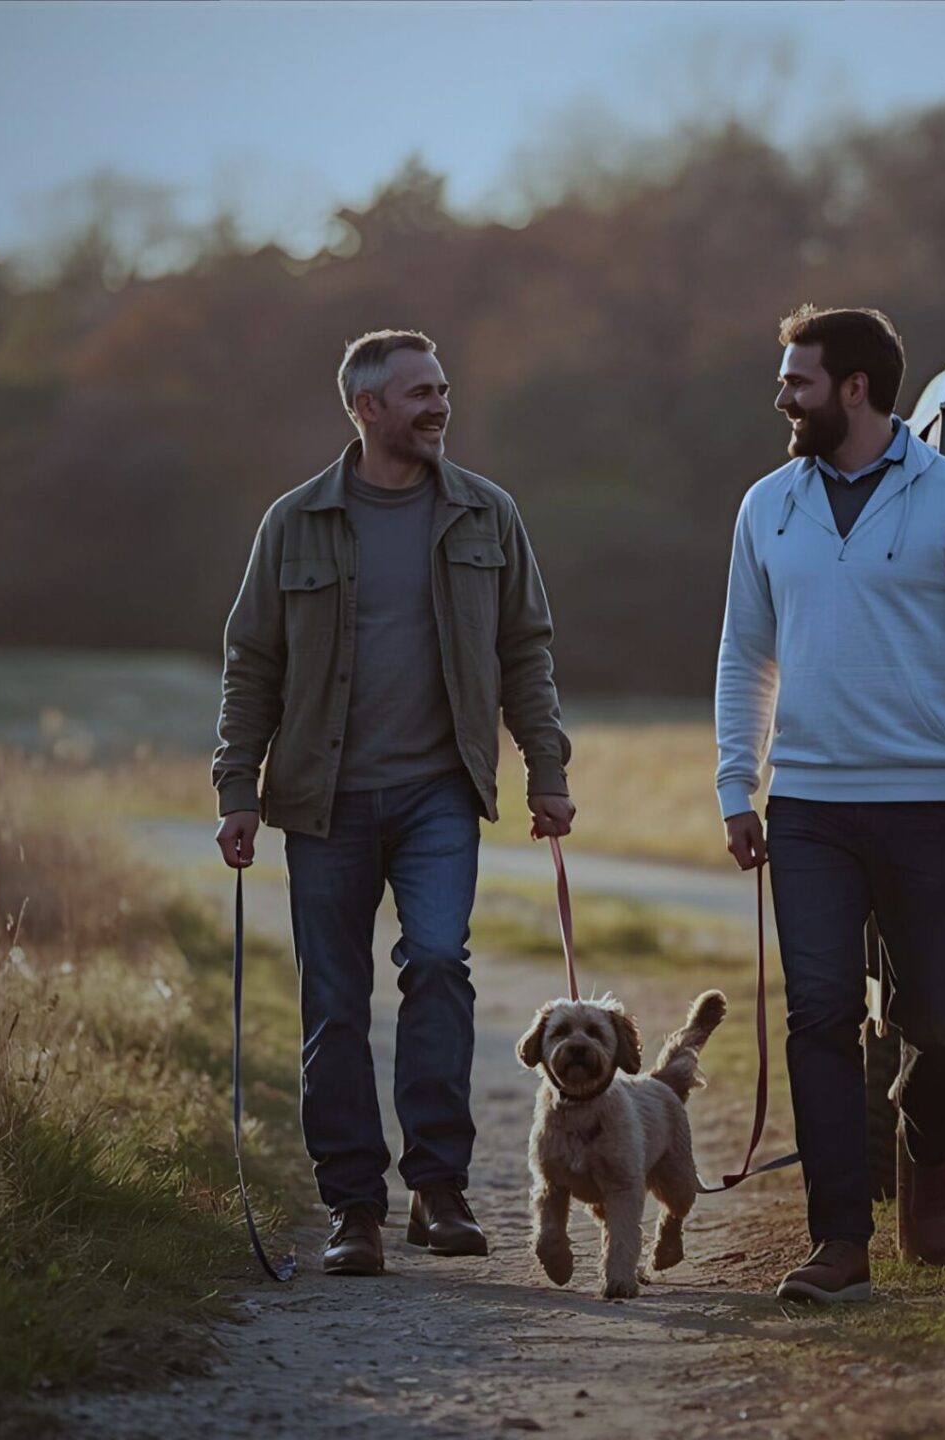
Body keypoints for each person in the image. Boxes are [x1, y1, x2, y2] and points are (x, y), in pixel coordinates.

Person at [213, 329, 575, 1276]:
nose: (440, 405)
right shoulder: (294, 523)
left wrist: (547, 770)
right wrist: (235, 790)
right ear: (366, 407)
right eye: (420, 392)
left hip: (438, 794)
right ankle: (354, 1208)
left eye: (444, 388)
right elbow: (252, 663)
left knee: (439, 967)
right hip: (321, 800)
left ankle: (440, 1189)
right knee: (333, 1003)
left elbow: (524, 649)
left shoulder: (487, 515)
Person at [713, 305, 945, 1303]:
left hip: (930, 803)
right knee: (818, 1015)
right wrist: (737, 780)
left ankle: (928, 1138)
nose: (781, 396)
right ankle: (840, 1246)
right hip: (807, 806)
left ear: (854, 388)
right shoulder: (767, 504)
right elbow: (742, 655)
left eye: (797, 381)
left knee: (941, 1024)